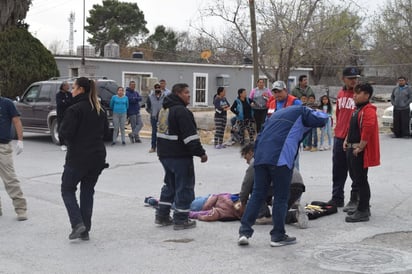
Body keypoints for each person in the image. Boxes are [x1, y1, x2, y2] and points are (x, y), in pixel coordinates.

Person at [238, 105, 328, 247]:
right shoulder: (302, 111)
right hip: (280, 159)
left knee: (257, 195)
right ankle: (278, 236)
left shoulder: (274, 116)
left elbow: (259, 136)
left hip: (261, 158)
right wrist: (323, 113)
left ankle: (244, 233)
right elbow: (321, 120)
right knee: (281, 197)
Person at [59, 77, 109, 240]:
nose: (71, 90)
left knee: (67, 189)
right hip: (97, 157)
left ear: (80, 89)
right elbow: (106, 132)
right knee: (87, 191)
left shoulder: (74, 110)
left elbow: (66, 133)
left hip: (79, 157)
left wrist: (66, 140)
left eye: (73, 88)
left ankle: (77, 223)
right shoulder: (99, 109)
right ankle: (85, 229)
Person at [155, 83, 208, 230]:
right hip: (179, 155)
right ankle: (181, 219)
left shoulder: (164, 110)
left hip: (164, 154)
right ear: (178, 94)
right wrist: (201, 153)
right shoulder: (182, 112)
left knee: (169, 185)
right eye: (186, 93)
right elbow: (190, 137)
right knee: (184, 187)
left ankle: (162, 215)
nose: (189, 95)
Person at [238, 144, 308, 229]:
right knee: (279, 215)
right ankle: (295, 215)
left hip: (285, 185)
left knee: (255, 187)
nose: (247, 162)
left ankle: (263, 215)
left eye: (246, 158)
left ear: (251, 152)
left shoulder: (257, 161)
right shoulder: (274, 155)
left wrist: (242, 203)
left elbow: (247, 185)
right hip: (298, 186)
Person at [344, 83, 380, 222]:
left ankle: (363, 210)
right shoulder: (357, 109)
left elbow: (368, 128)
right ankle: (362, 206)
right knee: (356, 178)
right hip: (351, 148)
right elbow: (351, 127)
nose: (354, 96)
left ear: (366, 95)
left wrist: (361, 147)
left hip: (358, 151)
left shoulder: (368, 110)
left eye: (357, 93)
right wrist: (346, 140)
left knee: (361, 180)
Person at [328, 67, 360, 211]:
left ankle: (356, 198)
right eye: (351, 78)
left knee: (355, 170)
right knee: (338, 169)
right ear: (343, 79)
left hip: (354, 138)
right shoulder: (340, 94)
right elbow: (339, 114)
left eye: (356, 78)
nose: (354, 81)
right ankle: (337, 197)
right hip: (339, 137)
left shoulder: (360, 95)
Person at [0, 94, 27, 221]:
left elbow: (16, 120)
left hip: (3, 146)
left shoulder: (7, 103)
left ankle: (21, 208)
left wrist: (20, 140)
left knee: (10, 179)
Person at [146, 83, 166, 153]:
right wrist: (151, 112)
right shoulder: (150, 97)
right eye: (156, 88)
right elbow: (147, 107)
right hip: (153, 117)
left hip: (162, 117)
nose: (157, 89)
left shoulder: (165, 96)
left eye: (159, 88)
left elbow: (167, 106)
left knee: (163, 132)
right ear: (154, 89)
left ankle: (162, 148)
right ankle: (153, 147)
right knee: (154, 132)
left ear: (161, 89)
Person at [56, 81, 72, 151]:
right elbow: (60, 104)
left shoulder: (69, 94)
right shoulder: (58, 95)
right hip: (61, 115)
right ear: (63, 86)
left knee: (69, 128)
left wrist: (65, 101)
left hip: (69, 114)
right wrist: (66, 102)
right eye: (67, 86)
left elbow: (71, 101)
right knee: (61, 128)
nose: (68, 87)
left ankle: (68, 142)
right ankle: (62, 143)